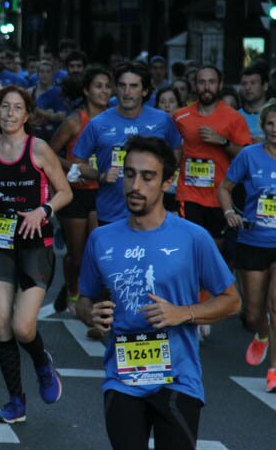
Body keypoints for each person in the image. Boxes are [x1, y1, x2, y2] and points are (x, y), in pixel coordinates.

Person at [76, 136, 241, 450]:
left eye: (148, 177)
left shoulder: (193, 238)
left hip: (177, 378)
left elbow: (232, 300)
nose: (136, 186)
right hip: (122, 377)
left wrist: (183, 313)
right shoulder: (102, 239)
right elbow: (84, 298)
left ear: (168, 182)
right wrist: (91, 314)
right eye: (130, 175)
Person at [0, 86, 72, 423]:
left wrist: (43, 210)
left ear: (27, 115)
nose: (9, 113)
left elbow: (65, 192)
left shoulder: (38, 149)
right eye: (4, 107)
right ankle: (15, 401)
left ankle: (42, 362)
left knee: (23, 327)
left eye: (17, 108)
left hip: (34, 244)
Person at [72, 63, 181, 226]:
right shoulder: (98, 123)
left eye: (133, 86)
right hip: (111, 213)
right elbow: (77, 163)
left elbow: (177, 149)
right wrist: (100, 176)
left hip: (152, 213)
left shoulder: (162, 120)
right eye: (122, 86)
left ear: (144, 91)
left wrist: (163, 174)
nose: (127, 92)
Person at [217, 99, 276, 392]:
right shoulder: (249, 156)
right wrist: (229, 213)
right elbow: (225, 188)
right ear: (262, 126)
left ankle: (274, 370)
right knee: (253, 314)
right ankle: (262, 334)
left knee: (275, 305)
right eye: (270, 124)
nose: (275, 130)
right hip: (253, 240)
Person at [49, 66, 112, 313]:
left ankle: (92, 299)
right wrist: (76, 167)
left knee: (96, 253)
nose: (104, 91)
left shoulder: (115, 120)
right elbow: (50, 153)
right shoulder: (75, 121)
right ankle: (71, 287)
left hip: (104, 193)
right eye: (98, 86)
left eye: (108, 86)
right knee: (77, 256)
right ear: (86, 91)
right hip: (75, 193)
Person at [171, 65, 251, 246]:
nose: (207, 87)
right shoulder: (180, 117)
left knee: (215, 249)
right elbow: (171, 150)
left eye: (212, 82)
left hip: (219, 194)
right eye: (202, 82)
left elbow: (246, 155)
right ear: (195, 85)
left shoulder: (233, 118)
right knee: (190, 245)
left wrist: (223, 141)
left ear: (220, 85)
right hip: (189, 194)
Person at [238, 62, 268, 142]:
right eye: (244, 84)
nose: (247, 88)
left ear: (265, 86)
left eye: (253, 83)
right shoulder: (235, 116)